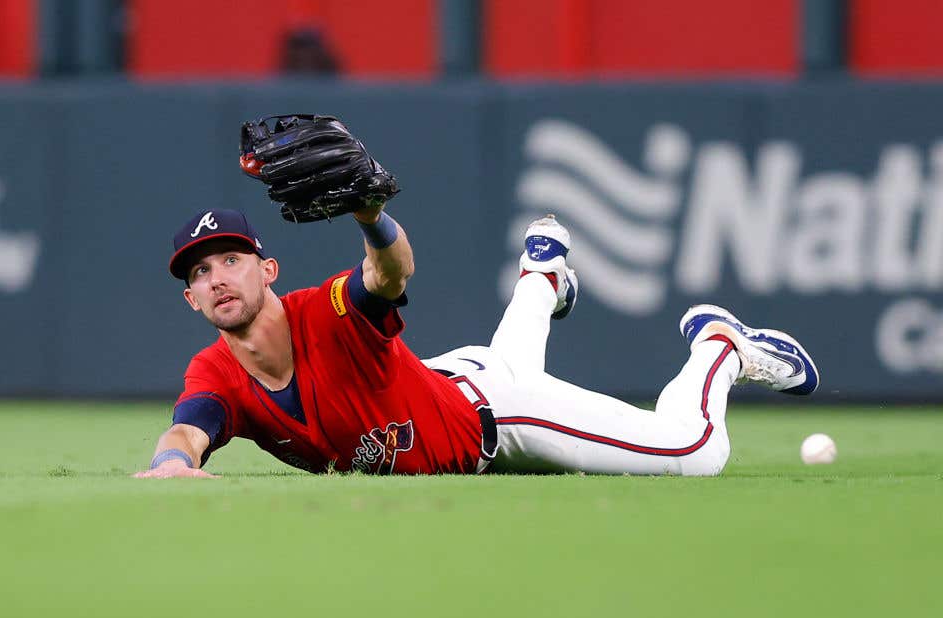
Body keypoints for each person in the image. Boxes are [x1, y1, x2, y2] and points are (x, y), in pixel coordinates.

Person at [134, 201, 819, 479]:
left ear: (267, 269)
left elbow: (390, 271)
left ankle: (718, 345)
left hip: (497, 415)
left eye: (230, 258)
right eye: (200, 270)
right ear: (190, 297)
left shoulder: (327, 310)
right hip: (447, 382)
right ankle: (543, 275)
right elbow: (186, 432)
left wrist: (372, 215)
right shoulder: (215, 371)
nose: (217, 277)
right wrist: (171, 466)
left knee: (695, 452)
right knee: (503, 360)